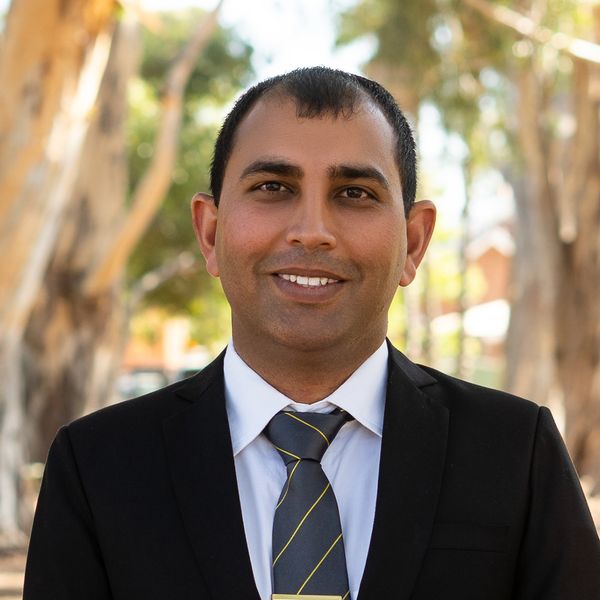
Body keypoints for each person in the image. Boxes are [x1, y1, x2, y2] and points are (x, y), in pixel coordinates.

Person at [24, 67, 600, 600]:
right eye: (273, 187)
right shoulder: (98, 466)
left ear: (414, 242)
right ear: (210, 232)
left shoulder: (515, 452)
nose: (312, 230)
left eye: (354, 193)